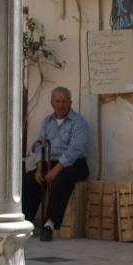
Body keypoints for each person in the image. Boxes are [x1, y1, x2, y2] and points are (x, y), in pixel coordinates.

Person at [22, 87, 90, 242]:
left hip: (74, 164)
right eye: (57, 101)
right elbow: (40, 145)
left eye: (64, 101)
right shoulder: (47, 121)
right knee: (31, 179)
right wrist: (39, 168)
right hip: (49, 162)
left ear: (70, 103)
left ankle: (49, 225)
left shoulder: (78, 122)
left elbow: (75, 149)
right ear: (52, 103)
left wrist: (56, 170)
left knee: (60, 181)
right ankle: (26, 222)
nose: (60, 105)